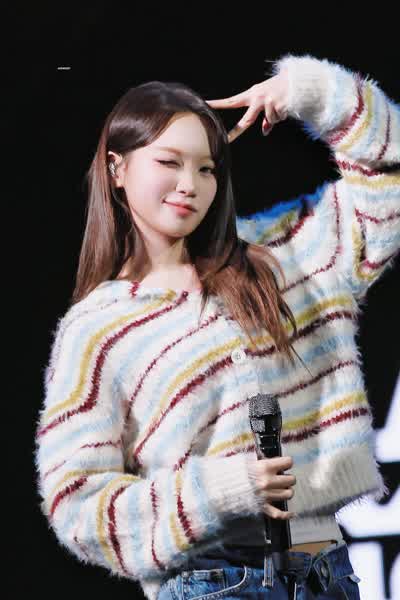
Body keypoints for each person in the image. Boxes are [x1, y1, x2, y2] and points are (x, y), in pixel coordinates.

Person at [34, 52, 400, 600]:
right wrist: (224, 488)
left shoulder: (286, 253)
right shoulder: (97, 328)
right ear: (117, 169)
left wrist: (308, 90)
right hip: (212, 582)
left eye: (206, 168)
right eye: (170, 162)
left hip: (327, 572)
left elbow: (388, 177)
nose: (190, 184)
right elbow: (76, 503)